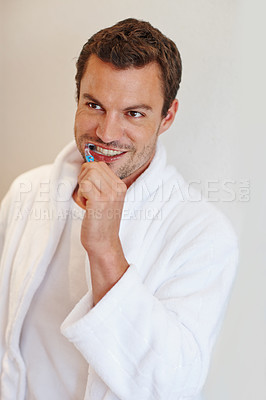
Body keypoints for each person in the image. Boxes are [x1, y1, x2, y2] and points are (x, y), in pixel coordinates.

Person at [0, 18, 238, 400]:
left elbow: (170, 387)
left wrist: (106, 250)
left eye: (134, 113)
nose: (107, 133)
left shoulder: (204, 234)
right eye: (94, 105)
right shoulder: (27, 192)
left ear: (168, 117)